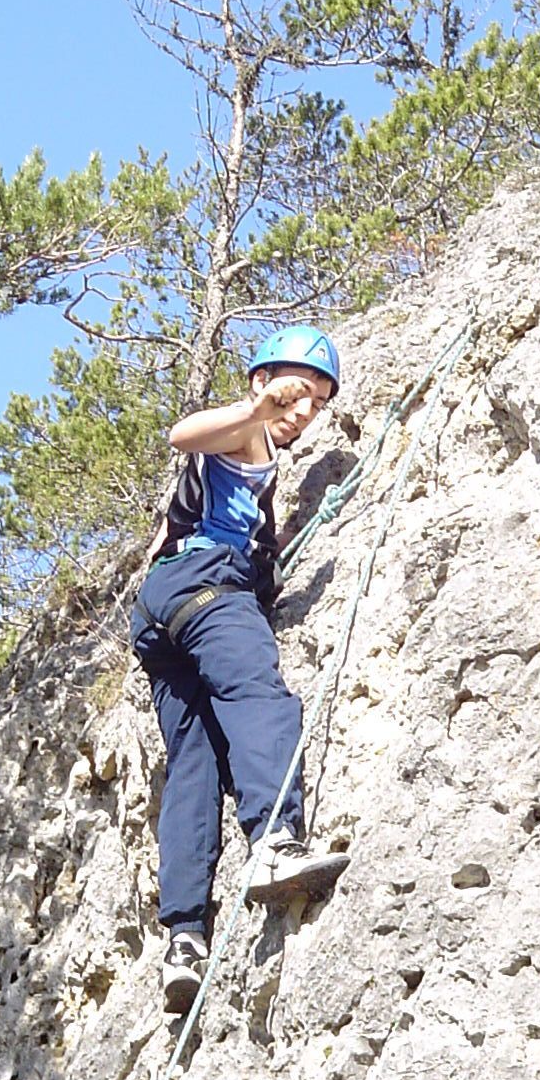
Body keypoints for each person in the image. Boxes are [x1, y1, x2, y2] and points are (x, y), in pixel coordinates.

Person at [131, 325, 352, 1013]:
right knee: (258, 694)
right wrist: (259, 412)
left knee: (193, 765)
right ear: (259, 382)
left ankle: (185, 937)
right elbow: (183, 433)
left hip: (160, 610)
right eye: (296, 395)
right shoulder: (247, 434)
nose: (303, 412)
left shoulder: (250, 459)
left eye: (315, 404)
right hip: (206, 588)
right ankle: (275, 843)